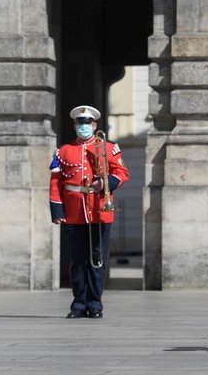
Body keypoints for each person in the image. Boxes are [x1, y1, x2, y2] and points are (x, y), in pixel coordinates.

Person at [50, 105, 129, 319]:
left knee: (97, 259)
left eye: (87, 123)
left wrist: (104, 182)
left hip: (99, 210)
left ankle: (95, 304)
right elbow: (56, 182)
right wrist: (57, 209)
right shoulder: (63, 151)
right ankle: (78, 304)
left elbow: (121, 173)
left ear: (94, 125)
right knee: (78, 261)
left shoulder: (108, 147)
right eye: (80, 123)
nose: (83, 126)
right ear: (75, 125)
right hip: (74, 212)